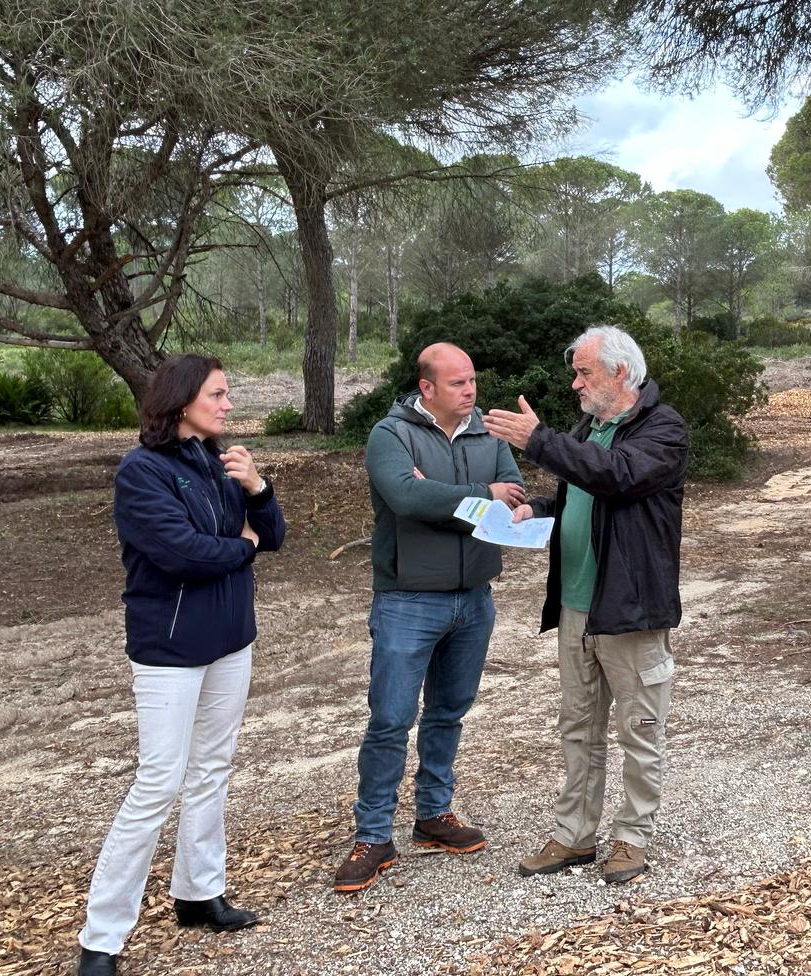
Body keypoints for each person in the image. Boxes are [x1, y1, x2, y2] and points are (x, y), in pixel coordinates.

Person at [76, 355, 286, 976]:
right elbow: (182, 554)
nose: (227, 405)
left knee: (212, 768)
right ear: (181, 400)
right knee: (159, 781)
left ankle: (199, 894)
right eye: (218, 395)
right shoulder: (141, 472)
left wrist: (258, 490)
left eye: (227, 394)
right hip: (169, 648)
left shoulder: (219, 462)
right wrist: (241, 544)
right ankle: (101, 938)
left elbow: (272, 536)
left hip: (230, 640)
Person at [483, 324, 688, 886]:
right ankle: (574, 835)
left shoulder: (661, 428)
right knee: (578, 727)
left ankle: (632, 838)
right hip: (577, 607)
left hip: (629, 609)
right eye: (575, 372)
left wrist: (540, 440)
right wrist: (540, 509)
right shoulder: (590, 427)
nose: (575, 382)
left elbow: (619, 478)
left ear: (620, 371)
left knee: (640, 726)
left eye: (584, 371)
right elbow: (584, 492)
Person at [333, 342, 527, 894]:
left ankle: (433, 814)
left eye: (472, 381)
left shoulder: (488, 433)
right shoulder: (390, 435)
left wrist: (500, 503)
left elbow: (512, 495)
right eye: (459, 383)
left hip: (474, 598)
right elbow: (406, 499)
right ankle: (372, 835)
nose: (470, 391)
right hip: (408, 601)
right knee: (391, 720)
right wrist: (476, 496)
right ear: (428, 388)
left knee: (448, 713)